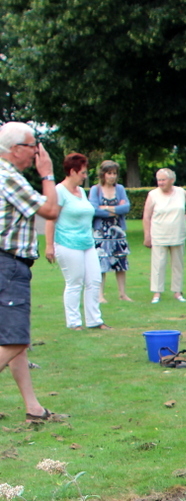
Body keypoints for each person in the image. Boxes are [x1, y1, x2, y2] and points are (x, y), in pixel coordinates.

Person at [0, 121, 60, 423]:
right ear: (14, 150)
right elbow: (50, 210)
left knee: (11, 340)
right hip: (7, 265)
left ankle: (33, 407)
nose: (37, 151)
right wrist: (47, 174)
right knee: (16, 340)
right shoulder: (8, 176)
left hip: (6, 263)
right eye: (32, 145)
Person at [44, 152, 104, 329]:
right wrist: (49, 246)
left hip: (87, 243)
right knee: (74, 282)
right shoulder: (59, 191)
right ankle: (74, 322)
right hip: (67, 243)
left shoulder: (80, 192)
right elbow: (51, 218)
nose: (85, 176)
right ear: (72, 171)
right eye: (83, 173)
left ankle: (95, 321)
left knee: (94, 281)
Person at [142, 169, 186, 303]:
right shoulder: (153, 194)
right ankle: (157, 293)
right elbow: (146, 216)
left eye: (163, 180)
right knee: (159, 264)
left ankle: (177, 292)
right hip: (159, 233)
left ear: (172, 180)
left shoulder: (180, 192)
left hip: (177, 233)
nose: (160, 183)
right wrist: (147, 236)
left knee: (177, 264)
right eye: (159, 180)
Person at [89, 159, 131, 302]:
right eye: (109, 173)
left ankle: (122, 294)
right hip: (101, 232)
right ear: (103, 174)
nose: (112, 176)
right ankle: (100, 295)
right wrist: (114, 210)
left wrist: (106, 208)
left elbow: (126, 208)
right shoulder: (96, 190)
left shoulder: (120, 189)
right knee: (101, 262)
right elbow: (93, 209)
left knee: (120, 263)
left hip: (118, 231)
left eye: (114, 173)